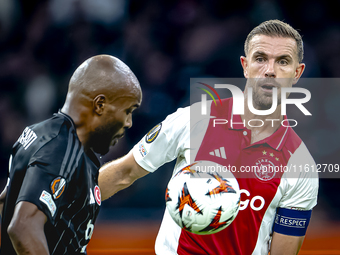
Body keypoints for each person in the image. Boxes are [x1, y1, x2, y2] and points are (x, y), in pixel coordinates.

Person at [99, 20, 318, 255]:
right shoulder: (195, 119)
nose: (270, 70)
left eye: (282, 61)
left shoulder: (301, 164)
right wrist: (63, 205)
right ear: (245, 66)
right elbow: (124, 173)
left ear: (297, 73)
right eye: (260, 58)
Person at [0, 54, 142, 255]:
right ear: (100, 105)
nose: (129, 123)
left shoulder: (40, 133)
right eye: (128, 111)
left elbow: (6, 202)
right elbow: (23, 227)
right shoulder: (61, 149)